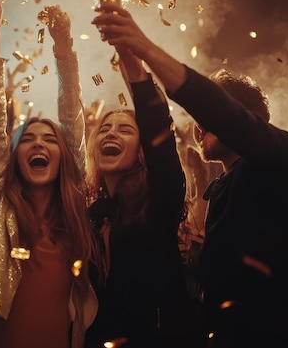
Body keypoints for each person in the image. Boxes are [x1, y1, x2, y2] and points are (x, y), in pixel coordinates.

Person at [92, 2, 288, 348]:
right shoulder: (222, 188)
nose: (198, 124)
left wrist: (145, 48)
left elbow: (224, 118)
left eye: (207, 113)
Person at [0, 0, 98, 348]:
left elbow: (72, 120)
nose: (39, 144)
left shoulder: (72, 213)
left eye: (49, 139)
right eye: (28, 140)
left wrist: (64, 49)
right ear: (13, 157)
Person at [83, 48, 202, 347]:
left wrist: (131, 60)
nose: (111, 134)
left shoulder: (159, 198)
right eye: (104, 129)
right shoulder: (94, 212)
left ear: (141, 150)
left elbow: (157, 127)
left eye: (125, 129)